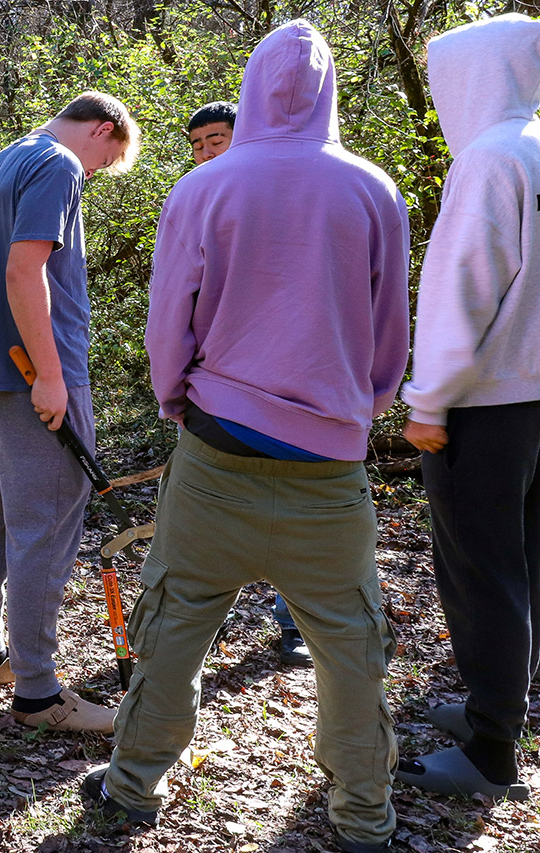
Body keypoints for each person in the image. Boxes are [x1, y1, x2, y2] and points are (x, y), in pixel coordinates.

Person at [83, 22, 410, 853]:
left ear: (254, 85)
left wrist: (171, 399)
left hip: (216, 451)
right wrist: (360, 406)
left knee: (175, 620)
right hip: (329, 471)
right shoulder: (373, 189)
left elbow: (170, 324)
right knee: (349, 643)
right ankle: (364, 818)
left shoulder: (206, 186)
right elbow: (389, 332)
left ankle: (130, 789)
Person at [0, 91, 140, 733]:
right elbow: (22, 270)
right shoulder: (59, 164)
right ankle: (38, 693)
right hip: (37, 373)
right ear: (101, 129)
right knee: (48, 523)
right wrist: (52, 377)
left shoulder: (4, 161)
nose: (92, 176)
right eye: (105, 161)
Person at [395, 13, 540, 804]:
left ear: (479, 75)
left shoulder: (489, 159)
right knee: (527, 562)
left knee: (480, 568)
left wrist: (429, 399)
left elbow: (461, 292)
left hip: (487, 401)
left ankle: (491, 753)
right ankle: (499, 707)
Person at [185, 99, 312, 669]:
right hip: (217, 392)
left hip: (297, 391)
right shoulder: (198, 198)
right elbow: (176, 306)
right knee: (212, 520)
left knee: (296, 520)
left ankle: (294, 626)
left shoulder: (302, 192)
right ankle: (202, 622)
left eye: (216, 140)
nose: (205, 152)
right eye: (197, 144)